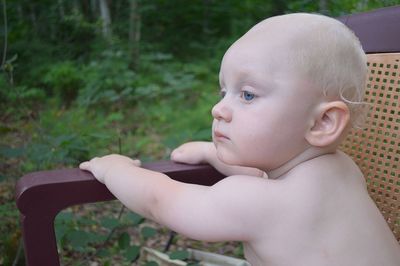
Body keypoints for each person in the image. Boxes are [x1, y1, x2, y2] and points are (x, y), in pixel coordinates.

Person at [80, 13, 400, 265]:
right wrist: (212, 153)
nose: (218, 108)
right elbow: (267, 180)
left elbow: (161, 201)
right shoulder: (341, 170)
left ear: (323, 122)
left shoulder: (263, 204)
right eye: (224, 92)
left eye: (247, 94)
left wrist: (114, 169)